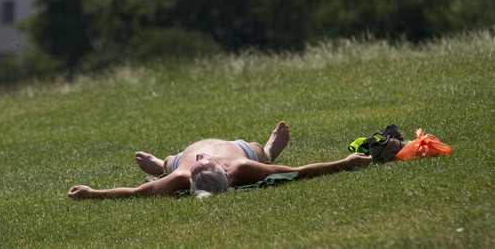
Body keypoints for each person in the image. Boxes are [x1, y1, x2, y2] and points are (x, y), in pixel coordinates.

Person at [68, 121, 372, 199]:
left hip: (174, 163)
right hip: (239, 148)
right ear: (223, 169)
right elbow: (298, 172)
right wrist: (344, 162)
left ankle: (161, 163)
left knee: (173, 160)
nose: (201, 157)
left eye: (198, 162)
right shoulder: (241, 166)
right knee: (258, 151)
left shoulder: (181, 176)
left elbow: (135, 193)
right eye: (204, 161)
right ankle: (267, 149)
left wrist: (93, 192)